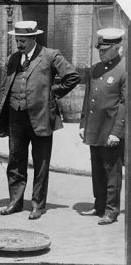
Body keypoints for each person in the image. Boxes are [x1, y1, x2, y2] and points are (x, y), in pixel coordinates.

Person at [0, 21, 80, 219]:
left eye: (23, 40)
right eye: (17, 40)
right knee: (15, 161)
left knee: (41, 163)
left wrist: (51, 94)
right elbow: (6, 84)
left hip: (41, 116)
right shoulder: (13, 58)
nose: (19, 44)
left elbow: (72, 76)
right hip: (15, 116)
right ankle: (15, 202)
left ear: (34, 38)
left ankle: (38, 205)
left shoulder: (51, 55)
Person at [79, 28, 125, 225]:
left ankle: (111, 210)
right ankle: (99, 205)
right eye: (100, 49)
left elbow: (125, 104)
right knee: (97, 169)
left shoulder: (124, 70)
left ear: (117, 48)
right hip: (94, 128)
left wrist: (117, 132)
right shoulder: (95, 69)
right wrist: (83, 124)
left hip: (111, 130)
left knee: (112, 172)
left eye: (105, 49)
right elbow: (88, 98)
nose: (101, 52)